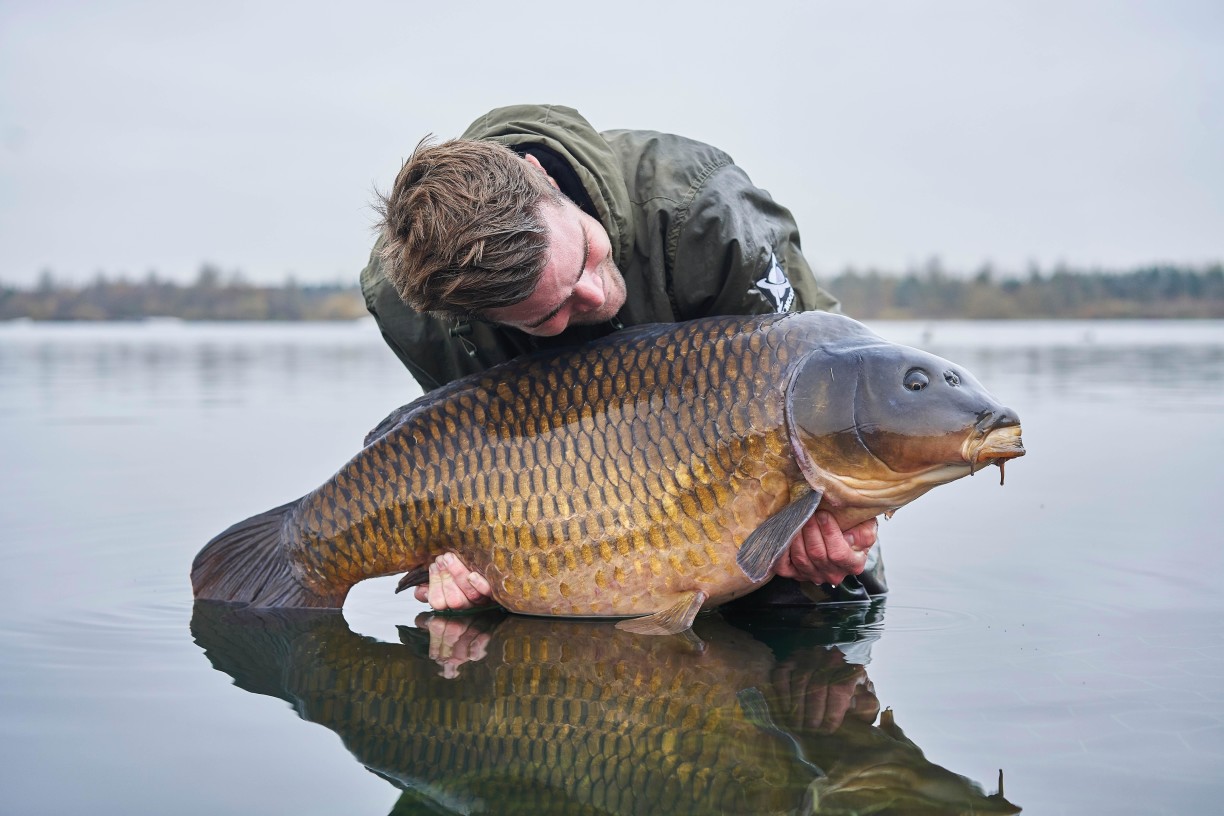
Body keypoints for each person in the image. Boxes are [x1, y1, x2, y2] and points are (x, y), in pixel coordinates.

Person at [360, 104, 886, 612]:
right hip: (577, 519)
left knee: (820, 594)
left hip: (744, 478)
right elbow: (481, 466)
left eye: (586, 252)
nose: (596, 294)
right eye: (553, 312)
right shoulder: (412, 310)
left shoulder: (705, 211)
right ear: (472, 315)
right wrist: (472, 576)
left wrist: (830, 529)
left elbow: (825, 396)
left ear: (539, 175)